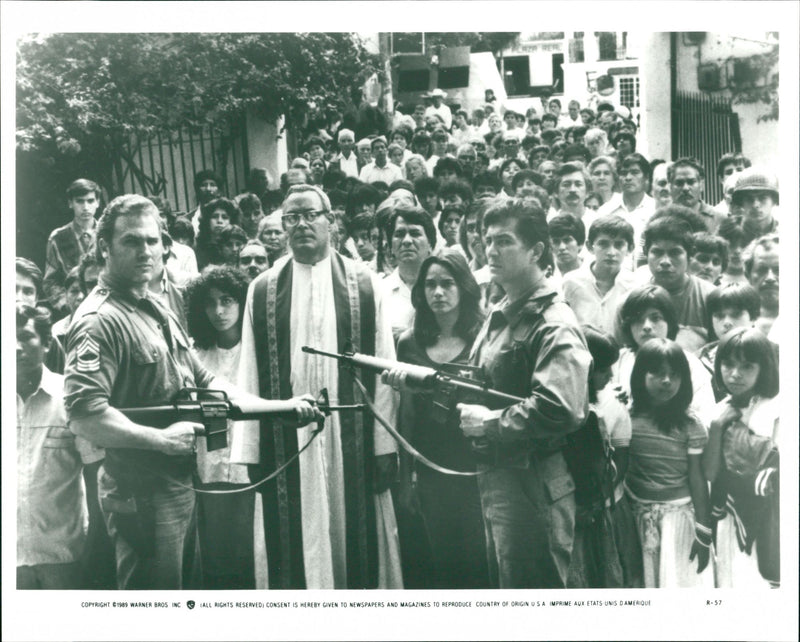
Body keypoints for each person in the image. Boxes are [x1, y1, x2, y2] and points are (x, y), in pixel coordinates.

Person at [63, 194, 317, 590]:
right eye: (131, 241)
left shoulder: (155, 307)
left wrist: (280, 407)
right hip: (140, 493)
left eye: (152, 240)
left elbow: (211, 385)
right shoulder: (100, 321)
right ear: (104, 248)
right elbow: (85, 416)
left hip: (178, 483)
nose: (146, 251)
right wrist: (160, 440)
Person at [231, 184, 403, 589]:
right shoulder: (263, 289)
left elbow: (384, 368)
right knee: (295, 544)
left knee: (355, 540)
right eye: (292, 217)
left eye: (312, 215)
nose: (302, 224)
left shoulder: (365, 284)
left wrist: (384, 447)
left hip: (353, 442)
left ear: (332, 222)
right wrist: (253, 449)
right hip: (286, 443)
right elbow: (249, 374)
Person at [456, 198, 592, 588]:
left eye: (503, 241)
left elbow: (561, 408)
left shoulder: (553, 322)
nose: (490, 251)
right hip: (501, 477)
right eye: (487, 240)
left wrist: (490, 422)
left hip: (534, 485)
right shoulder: (503, 310)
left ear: (536, 251)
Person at [386, 251, 489, 589]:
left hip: (479, 468)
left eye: (447, 284)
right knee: (442, 567)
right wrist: (406, 478)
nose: (438, 293)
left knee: (482, 565)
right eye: (430, 285)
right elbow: (405, 416)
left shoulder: (484, 338)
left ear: (464, 288)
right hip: (430, 469)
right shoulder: (409, 342)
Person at [184, 266, 256, 589]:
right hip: (209, 469)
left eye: (227, 301)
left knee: (250, 557)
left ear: (242, 303)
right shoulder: (196, 355)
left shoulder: (257, 354)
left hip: (250, 469)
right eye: (210, 303)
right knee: (215, 558)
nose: (219, 311)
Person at [624, 338, 714, 588]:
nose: (666, 381)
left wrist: (704, 530)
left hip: (677, 521)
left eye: (674, 375)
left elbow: (697, 477)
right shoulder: (626, 419)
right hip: (637, 519)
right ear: (640, 375)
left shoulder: (690, 425)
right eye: (657, 373)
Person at [16, 304, 87, 589]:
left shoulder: (70, 397)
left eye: (25, 336)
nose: (15, 347)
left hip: (63, 557)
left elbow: (95, 474)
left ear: (47, 343)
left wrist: (93, 548)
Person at [567, 326, 642, 589]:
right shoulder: (562, 406)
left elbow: (622, 457)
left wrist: (599, 496)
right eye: (602, 369)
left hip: (607, 504)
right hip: (569, 510)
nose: (610, 375)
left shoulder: (612, 403)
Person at [704, 328, 780, 588]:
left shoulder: (775, 410)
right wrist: (716, 428)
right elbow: (710, 474)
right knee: (731, 580)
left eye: (747, 366)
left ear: (764, 369)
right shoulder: (718, 410)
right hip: (729, 515)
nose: (735, 374)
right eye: (728, 364)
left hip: (767, 515)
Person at [614, 285, 716, 427]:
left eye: (655, 318)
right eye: (638, 319)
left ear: (669, 322)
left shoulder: (690, 363)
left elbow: (706, 416)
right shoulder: (617, 361)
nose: (647, 326)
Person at [642, 212, 716, 351]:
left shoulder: (711, 298)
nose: (665, 262)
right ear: (646, 253)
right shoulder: (632, 301)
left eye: (675, 253)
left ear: (690, 254)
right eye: (657, 252)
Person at [562, 215, 637, 337]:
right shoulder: (571, 282)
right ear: (590, 246)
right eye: (603, 244)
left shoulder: (635, 286)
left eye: (618, 245)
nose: (611, 252)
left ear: (630, 249)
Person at [43, 179, 102, 313]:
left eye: (90, 201)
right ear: (71, 203)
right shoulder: (58, 238)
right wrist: (65, 304)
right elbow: (50, 281)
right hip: (74, 309)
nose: (85, 207)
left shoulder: (107, 235)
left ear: (98, 202)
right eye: (80, 201)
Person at [697, 283, 761, 401]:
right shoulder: (699, 359)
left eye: (736, 314)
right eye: (719, 315)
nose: (727, 322)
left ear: (754, 317)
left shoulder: (774, 356)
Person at [382, 205, 436, 340]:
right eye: (399, 234)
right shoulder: (379, 292)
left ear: (430, 244)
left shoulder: (444, 288)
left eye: (415, 233)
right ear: (390, 247)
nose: (406, 241)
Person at [597, 153, 655, 270]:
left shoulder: (655, 210)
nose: (628, 177)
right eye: (624, 173)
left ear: (646, 177)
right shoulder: (606, 211)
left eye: (634, 172)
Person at [668, 158, 725, 235]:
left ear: (701, 185)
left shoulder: (719, 220)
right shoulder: (660, 219)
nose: (685, 188)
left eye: (691, 182)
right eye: (679, 183)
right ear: (670, 187)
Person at [730, 167, 779, 246]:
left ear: (774, 201)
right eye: (749, 199)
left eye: (762, 198)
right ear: (741, 202)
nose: (755, 205)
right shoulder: (729, 236)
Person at [744, 233, 779, 336]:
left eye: (778, 270)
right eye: (761, 270)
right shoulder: (732, 317)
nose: (770, 278)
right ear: (748, 275)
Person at [195, 197, 240, 270]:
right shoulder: (197, 247)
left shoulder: (237, 245)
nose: (219, 221)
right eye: (214, 217)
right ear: (207, 221)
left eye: (225, 217)